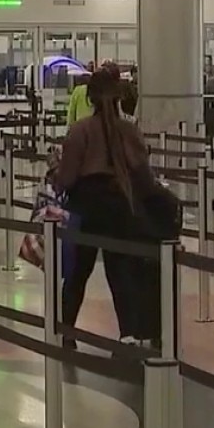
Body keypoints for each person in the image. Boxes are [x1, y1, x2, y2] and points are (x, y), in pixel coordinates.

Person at [54, 69, 154, 346]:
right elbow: (144, 174)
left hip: (85, 208)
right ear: (119, 96)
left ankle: (66, 333)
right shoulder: (129, 130)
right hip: (120, 206)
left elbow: (66, 178)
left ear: (89, 98)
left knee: (77, 274)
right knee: (121, 273)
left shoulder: (80, 130)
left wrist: (55, 172)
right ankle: (128, 336)